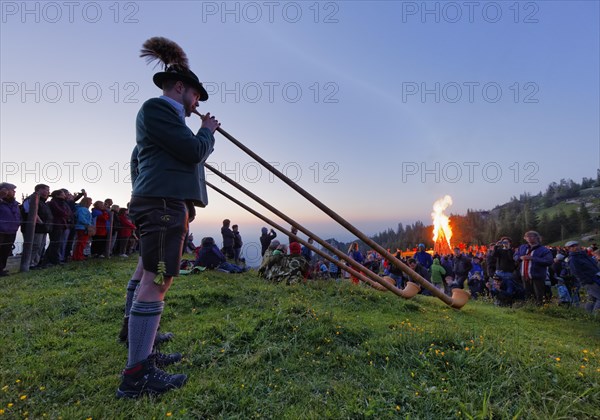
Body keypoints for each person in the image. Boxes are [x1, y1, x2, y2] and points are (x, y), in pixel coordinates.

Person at [116, 36, 219, 399]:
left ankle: (138, 344)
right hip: (161, 205)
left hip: (161, 203)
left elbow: (145, 161)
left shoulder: (165, 119)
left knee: (148, 274)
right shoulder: (158, 111)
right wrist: (206, 133)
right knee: (158, 281)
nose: (196, 105)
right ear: (180, 87)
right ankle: (137, 375)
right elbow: (192, 152)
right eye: (195, 97)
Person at [514, 231, 553, 305]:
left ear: (537, 238)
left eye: (531, 236)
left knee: (539, 295)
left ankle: (539, 310)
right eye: (527, 236)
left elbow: (549, 261)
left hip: (537, 276)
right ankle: (529, 308)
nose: (529, 238)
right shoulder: (522, 247)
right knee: (527, 294)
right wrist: (520, 258)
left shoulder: (543, 250)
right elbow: (515, 256)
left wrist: (532, 258)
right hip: (524, 275)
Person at [21, 184, 52, 269]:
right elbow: (30, 212)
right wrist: (40, 222)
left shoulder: (43, 202)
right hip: (34, 228)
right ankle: (29, 264)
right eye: (46, 190)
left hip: (43, 228)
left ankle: (35, 263)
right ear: (39, 190)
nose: (48, 192)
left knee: (40, 246)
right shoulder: (31, 199)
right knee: (34, 245)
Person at [565, 240, 600, 313]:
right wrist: (587, 280)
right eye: (572, 246)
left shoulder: (583, 254)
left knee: (592, 298)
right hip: (589, 280)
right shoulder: (573, 259)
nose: (575, 247)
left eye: (576, 245)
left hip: (595, 277)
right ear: (569, 249)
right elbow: (576, 272)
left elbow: (593, 264)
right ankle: (596, 316)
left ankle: (588, 315)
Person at [0, 183, 21, 276]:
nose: (14, 192)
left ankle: (1, 269)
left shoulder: (14, 203)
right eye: (12, 190)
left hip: (12, 230)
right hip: (1, 230)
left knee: (6, 251)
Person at [72, 197, 93, 261]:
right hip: (82, 228)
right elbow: (81, 218)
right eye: (90, 202)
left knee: (81, 243)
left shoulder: (82, 209)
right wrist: (88, 224)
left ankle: (78, 256)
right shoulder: (83, 209)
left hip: (82, 227)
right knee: (81, 243)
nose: (91, 203)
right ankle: (78, 256)